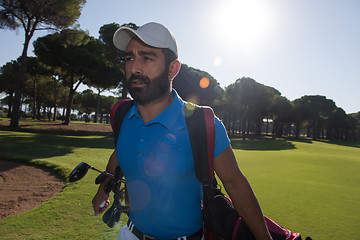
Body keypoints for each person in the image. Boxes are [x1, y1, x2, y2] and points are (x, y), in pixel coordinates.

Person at [92, 22, 272, 240]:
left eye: (146, 58)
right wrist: (104, 188)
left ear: (173, 69)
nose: (134, 68)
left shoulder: (203, 123)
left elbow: (235, 184)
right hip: (130, 234)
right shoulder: (121, 114)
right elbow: (120, 153)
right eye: (129, 57)